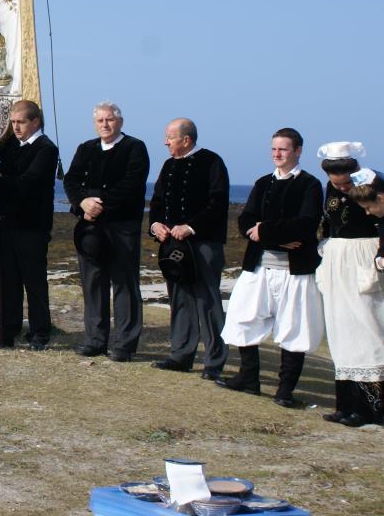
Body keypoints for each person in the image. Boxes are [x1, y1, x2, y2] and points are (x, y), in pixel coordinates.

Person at [217, 127, 323, 408]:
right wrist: (273, 237)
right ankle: (249, 379)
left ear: (298, 151)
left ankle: (284, 391)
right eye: (274, 149)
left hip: (295, 270)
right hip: (259, 266)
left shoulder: (310, 185)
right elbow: (245, 221)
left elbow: (306, 224)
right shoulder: (263, 182)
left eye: (283, 149)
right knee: (242, 317)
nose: (277, 154)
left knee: (295, 327)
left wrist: (264, 231)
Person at [62, 101, 150, 360]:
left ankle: (124, 344)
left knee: (124, 284)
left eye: (109, 119)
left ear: (119, 121)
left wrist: (98, 204)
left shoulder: (135, 148)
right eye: (100, 120)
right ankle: (95, 340)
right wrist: (82, 203)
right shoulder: (86, 148)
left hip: (122, 226)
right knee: (92, 283)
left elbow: (132, 184)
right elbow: (71, 179)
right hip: (89, 226)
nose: (105, 124)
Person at [147, 118, 231, 380]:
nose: (165, 142)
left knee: (207, 301)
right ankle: (181, 354)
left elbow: (218, 203)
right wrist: (155, 225)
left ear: (186, 139)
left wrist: (191, 227)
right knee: (180, 299)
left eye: (170, 137)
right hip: (174, 244)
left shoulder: (211, 162)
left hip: (203, 243)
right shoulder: (168, 165)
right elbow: (157, 201)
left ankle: (214, 361)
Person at [0, 99, 59, 351]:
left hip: (32, 225)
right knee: (7, 281)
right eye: (12, 122)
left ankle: (39, 332)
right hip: (7, 223)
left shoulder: (46, 148)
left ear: (36, 122)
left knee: (34, 281)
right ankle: (6, 330)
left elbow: (29, 183)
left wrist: (0, 181)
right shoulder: (11, 144)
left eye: (20, 122)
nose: (16, 127)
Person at [314, 144, 384, 427]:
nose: (342, 188)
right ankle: (345, 404)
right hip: (337, 259)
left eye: (346, 183)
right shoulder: (330, 188)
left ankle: (371, 408)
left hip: (364, 256)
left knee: (367, 329)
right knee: (340, 328)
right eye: (336, 183)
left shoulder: (373, 182)